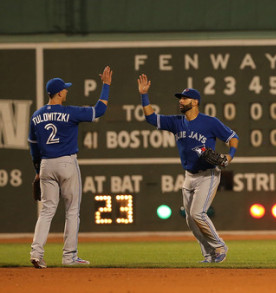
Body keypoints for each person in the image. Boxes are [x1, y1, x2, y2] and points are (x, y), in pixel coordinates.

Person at [137, 74, 238, 263]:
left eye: (184, 98)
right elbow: (151, 118)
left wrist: (230, 156)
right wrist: (144, 95)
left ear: (195, 101)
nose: (181, 101)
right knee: (191, 221)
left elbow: (233, 137)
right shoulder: (176, 122)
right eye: (180, 98)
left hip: (208, 174)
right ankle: (209, 254)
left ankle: (220, 246)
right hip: (189, 176)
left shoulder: (210, 122)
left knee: (197, 213)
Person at [28, 66, 113, 268]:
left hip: (46, 164)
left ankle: (36, 253)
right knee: (72, 210)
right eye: (64, 89)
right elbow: (99, 110)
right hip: (66, 162)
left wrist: (37, 170)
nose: (66, 91)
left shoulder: (36, 116)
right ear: (58, 93)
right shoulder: (70, 112)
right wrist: (106, 85)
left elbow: (33, 146)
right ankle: (69, 256)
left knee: (47, 211)